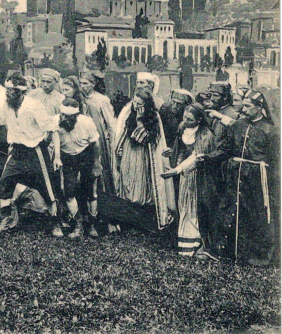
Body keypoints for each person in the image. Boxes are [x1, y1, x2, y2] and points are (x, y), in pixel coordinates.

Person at [0, 74, 62, 234]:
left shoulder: (34, 106)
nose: (7, 93)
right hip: (16, 151)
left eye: (11, 90)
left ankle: (55, 223)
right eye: (6, 89)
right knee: (5, 182)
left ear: (21, 92)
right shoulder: (7, 105)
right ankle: (6, 222)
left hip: (35, 152)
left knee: (47, 189)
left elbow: (53, 129)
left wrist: (57, 157)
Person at [200, 90, 278, 267]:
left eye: (248, 106)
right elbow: (226, 149)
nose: (244, 109)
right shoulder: (238, 125)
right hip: (235, 175)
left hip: (257, 178)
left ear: (259, 108)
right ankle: (220, 251)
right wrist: (206, 158)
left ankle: (255, 256)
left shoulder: (270, 130)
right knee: (227, 209)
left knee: (253, 214)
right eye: (243, 105)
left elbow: (275, 161)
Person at [160, 103, 219, 259]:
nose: (185, 120)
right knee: (182, 206)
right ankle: (183, 241)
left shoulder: (206, 135)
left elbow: (196, 157)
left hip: (198, 175)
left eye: (190, 119)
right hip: (183, 175)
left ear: (199, 120)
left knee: (195, 208)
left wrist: (178, 169)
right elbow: (181, 149)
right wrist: (171, 152)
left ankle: (198, 244)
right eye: (184, 117)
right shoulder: (182, 128)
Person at [112, 88, 175, 230]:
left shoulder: (153, 117)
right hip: (129, 151)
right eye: (134, 103)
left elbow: (142, 138)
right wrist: (119, 149)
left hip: (143, 154)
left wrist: (140, 121)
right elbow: (122, 132)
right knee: (127, 180)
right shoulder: (128, 112)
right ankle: (127, 217)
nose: (136, 107)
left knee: (140, 184)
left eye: (140, 105)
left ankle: (141, 217)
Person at [54, 98, 103, 238]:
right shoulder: (55, 121)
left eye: (68, 117)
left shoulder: (86, 122)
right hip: (67, 157)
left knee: (90, 191)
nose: (64, 119)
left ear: (76, 116)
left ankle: (91, 224)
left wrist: (96, 164)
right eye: (62, 114)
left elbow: (95, 145)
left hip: (85, 155)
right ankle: (77, 225)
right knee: (69, 191)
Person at [79, 70, 117, 193]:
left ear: (93, 84)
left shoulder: (102, 100)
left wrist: (113, 144)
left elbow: (111, 124)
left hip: (98, 139)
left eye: (85, 83)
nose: (82, 86)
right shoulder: (78, 98)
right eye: (81, 83)